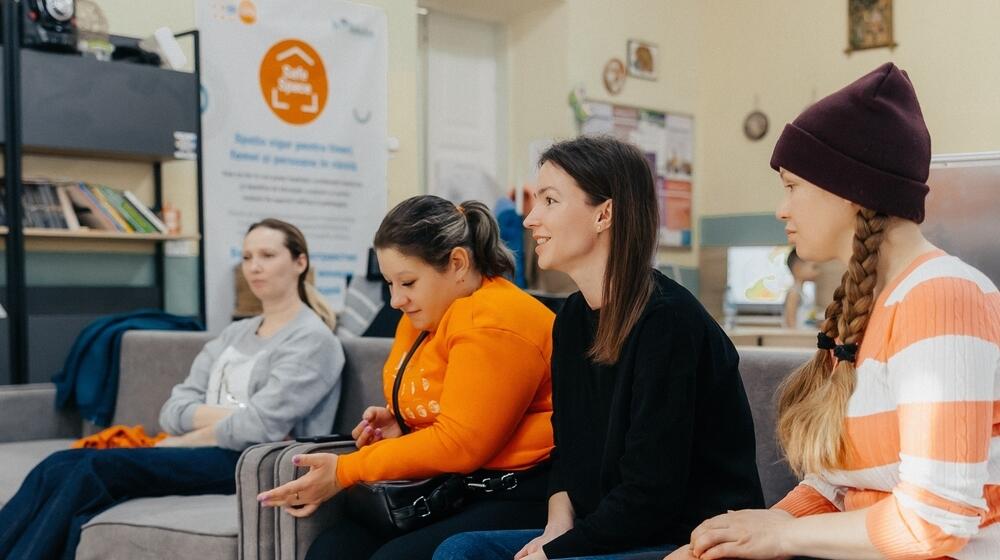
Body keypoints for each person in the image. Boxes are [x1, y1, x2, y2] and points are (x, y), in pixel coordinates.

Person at [671, 63, 1000, 560]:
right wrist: (770, 522)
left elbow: (937, 520)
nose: (781, 210)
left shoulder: (943, 297)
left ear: (849, 189)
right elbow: (836, 483)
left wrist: (781, 536)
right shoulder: (862, 307)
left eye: (791, 186)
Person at [433, 136, 764, 560]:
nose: (531, 218)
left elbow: (652, 495)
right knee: (462, 551)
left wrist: (558, 554)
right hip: (607, 531)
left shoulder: (669, 323)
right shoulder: (571, 317)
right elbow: (566, 452)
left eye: (550, 201)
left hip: (684, 538)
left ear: (604, 214)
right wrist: (555, 532)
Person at [0, 218, 344, 560]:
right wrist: (235, 416)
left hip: (252, 461)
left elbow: (260, 429)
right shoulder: (235, 333)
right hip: (217, 450)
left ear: (300, 262)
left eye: (267, 255)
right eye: (247, 257)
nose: (254, 267)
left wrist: (188, 437)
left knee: (89, 469)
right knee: (58, 463)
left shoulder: (312, 340)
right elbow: (173, 410)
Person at [258, 196, 556, 560]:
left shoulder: (495, 320)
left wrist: (345, 470)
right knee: (332, 549)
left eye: (408, 282)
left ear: (458, 263)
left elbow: (460, 444)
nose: (396, 300)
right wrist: (404, 420)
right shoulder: (422, 316)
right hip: (456, 486)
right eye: (389, 284)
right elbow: (449, 408)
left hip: (519, 491)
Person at [782, 248, 821, 328]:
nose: (818, 272)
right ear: (798, 269)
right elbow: (791, 323)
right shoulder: (794, 293)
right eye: (814, 267)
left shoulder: (802, 293)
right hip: (797, 339)